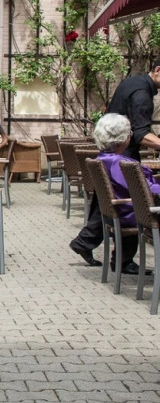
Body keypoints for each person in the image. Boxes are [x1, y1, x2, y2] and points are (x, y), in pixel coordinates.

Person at [69, 113, 160, 274]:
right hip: (134, 213)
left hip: (119, 211)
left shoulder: (103, 158)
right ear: (123, 139)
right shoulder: (122, 164)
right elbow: (146, 189)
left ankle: (122, 261)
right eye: (129, 133)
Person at [105, 58, 160, 161]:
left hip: (108, 156)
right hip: (124, 160)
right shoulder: (142, 93)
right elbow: (142, 135)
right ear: (158, 70)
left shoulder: (132, 82)